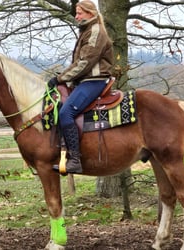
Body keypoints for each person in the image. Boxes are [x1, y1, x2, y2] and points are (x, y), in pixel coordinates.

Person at [48, 0, 114, 174]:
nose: (76, 16)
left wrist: (60, 78)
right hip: (85, 81)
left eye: (79, 13)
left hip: (94, 81)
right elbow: (79, 62)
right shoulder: (88, 30)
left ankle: (75, 160)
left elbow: (85, 62)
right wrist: (64, 79)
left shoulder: (95, 32)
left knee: (66, 113)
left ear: (90, 14)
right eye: (76, 13)